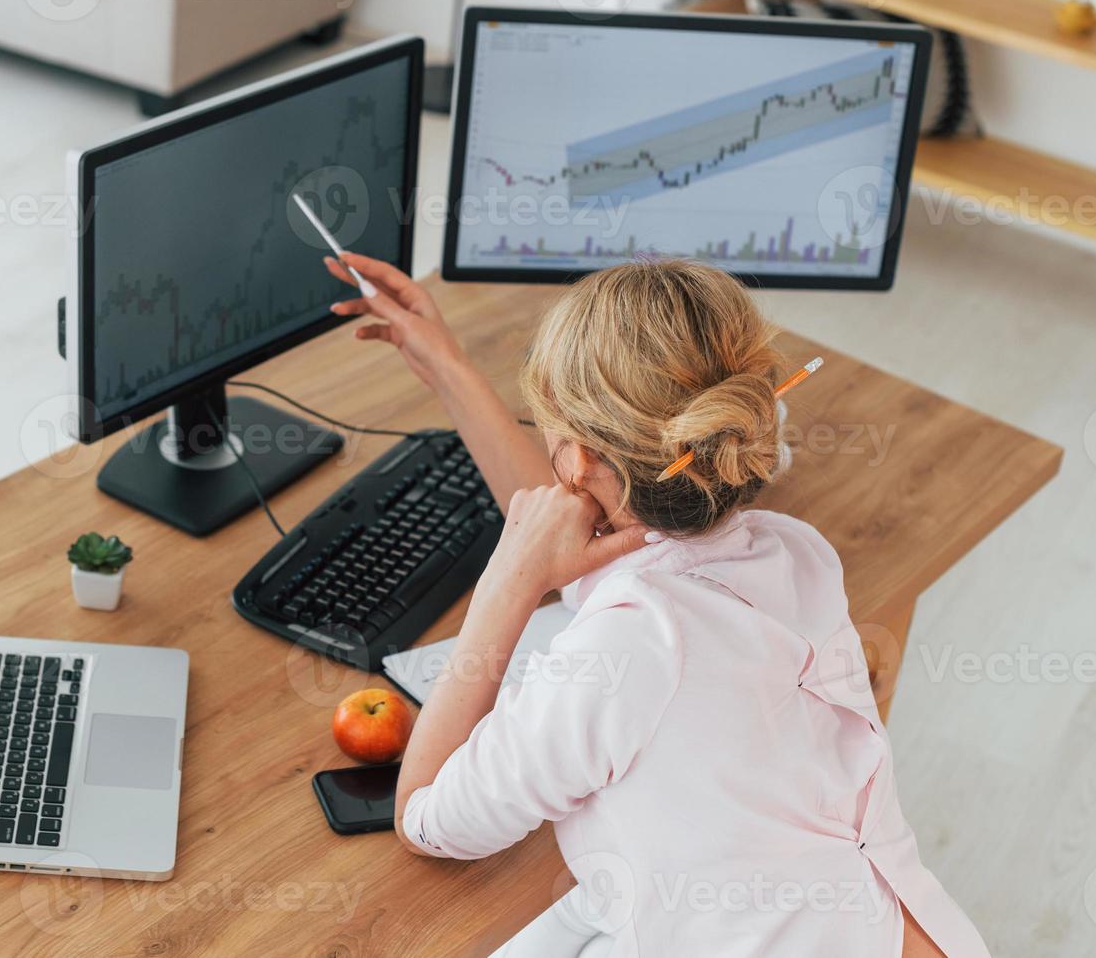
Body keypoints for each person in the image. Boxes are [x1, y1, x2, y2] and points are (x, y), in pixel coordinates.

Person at [323, 253, 988, 958]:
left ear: (575, 461)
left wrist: (506, 584)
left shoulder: (630, 644)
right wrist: (445, 363)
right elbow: (610, 551)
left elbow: (428, 822)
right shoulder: (796, 554)